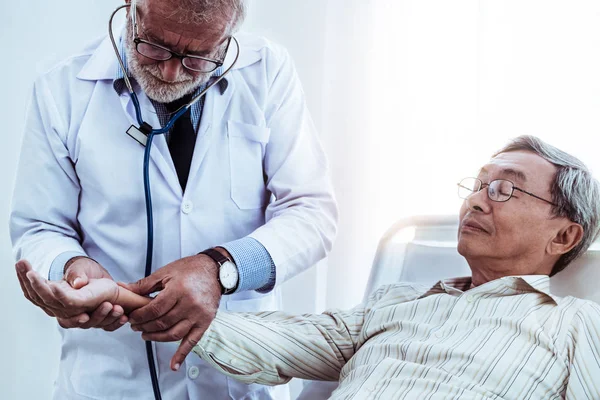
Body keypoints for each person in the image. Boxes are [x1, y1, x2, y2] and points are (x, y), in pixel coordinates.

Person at [28, 135, 593, 400]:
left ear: (565, 235)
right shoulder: (397, 303)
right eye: (475, 185)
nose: (475, 200)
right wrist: (120, 296)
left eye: (504, 190)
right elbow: (274, 341)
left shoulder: (572, 326)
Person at [10, 0, 337, 398]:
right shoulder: (61, 87)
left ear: (228, 35)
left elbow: (312, 213)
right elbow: (41, 226)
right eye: (155, 45)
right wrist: (71, 266)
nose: (170, 71)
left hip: (237, 380)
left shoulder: (266, 72)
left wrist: (221, 269)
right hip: (112, 377)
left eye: (197, 56)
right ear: (131, 8)